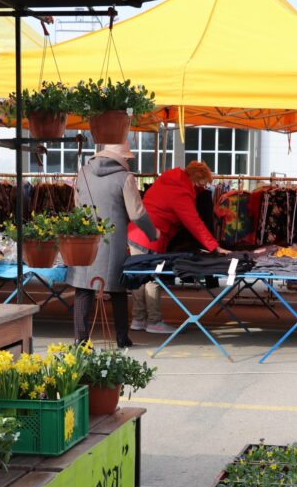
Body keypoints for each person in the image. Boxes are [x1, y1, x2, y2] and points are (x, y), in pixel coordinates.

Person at [70, 143, 158, 348]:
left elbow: (76, 204)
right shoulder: (125, 177)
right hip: (113, 240)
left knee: (83, 288)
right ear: (121, 158)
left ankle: (80, 340)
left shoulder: (83, 172)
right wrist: (152, 233)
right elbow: (136, 213)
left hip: (85, 238)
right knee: (118, 290)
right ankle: (121, 337)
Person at [127, 161, 229, 334]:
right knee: (152, 279)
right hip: (152, 236)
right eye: (201, 185)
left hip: (136, 232)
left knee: (139, 278)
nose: (202, 189)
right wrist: (215, 247)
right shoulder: (182, 192)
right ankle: (154, 321)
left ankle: (138, 319)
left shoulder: (167, 179)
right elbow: (195, 223)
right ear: (195, 180)